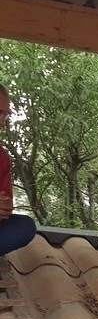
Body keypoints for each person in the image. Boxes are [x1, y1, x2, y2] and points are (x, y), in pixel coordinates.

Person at [0, 84, 36, 256]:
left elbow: (6, 208)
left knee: (24, 226)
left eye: (5, 115)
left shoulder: (2, 157)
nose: (2, 122)